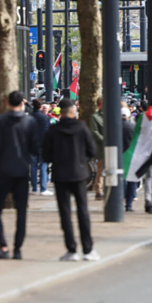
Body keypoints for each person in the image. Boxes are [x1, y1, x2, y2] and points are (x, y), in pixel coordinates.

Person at [44, 100, 100, 261]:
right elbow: (92, 150)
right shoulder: (82, 128)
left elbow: (46, 155)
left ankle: (71, 249)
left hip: (60, 174)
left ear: (61, 112)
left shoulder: (53, 130)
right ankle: (88, 250)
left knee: (65, 212)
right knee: (83, 211)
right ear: (73, 112)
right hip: (79, 173)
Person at [0, 91, 38, 260]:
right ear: (23, 102)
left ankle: (3, 245)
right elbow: (35, 148)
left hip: (4, 170)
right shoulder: (30, 121)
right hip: (22, 171)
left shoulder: (1, 120)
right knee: (21, 211)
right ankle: (18, 249)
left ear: (7, 103)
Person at [29, 98, 51, 196]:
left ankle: (34, 188)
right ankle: (43, 188)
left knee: (33, 167)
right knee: (43, 166)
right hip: (43, 145)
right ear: (41, 106)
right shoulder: (45, 118)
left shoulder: (29, 117)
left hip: (32, 145)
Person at [123, 104, 139, 212]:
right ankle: (129, 204)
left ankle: (120, 199)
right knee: (132, 180)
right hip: (131, 155)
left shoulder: (114, 127)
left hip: (119, 155)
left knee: (122, 179)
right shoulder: (133, 127)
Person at [90, 97, 105, 200]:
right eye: (101, 104)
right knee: (101, 169)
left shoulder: (111, 115)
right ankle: (99, 191)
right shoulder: (95, 117)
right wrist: (104, 140)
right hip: (102, 147)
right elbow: (94, 131)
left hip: (113, 146)